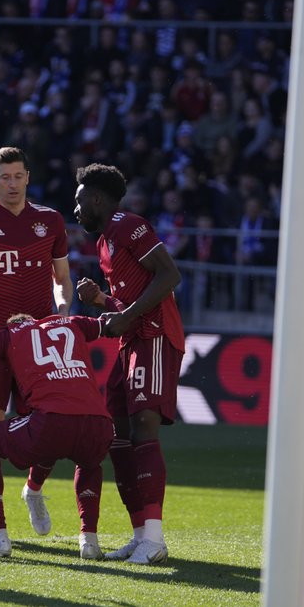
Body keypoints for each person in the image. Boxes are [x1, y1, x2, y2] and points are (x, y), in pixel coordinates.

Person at [0, 147, 72, 543]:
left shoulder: (50, 220)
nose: (12, 184)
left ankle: (34, 489)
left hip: (37, 340)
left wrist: (62, 309)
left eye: (18, 176)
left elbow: (62, 277)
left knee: (51, 426)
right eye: (4, 177)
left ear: (28, 178)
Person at [73, 163, 184, 565]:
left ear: (97, 199)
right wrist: (102, 301)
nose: (76, 209)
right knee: (117, 436)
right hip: (131, 341)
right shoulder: (105, 243)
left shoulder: (128, 225)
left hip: (154, 336)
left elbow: (169, 275)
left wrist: (125, 315)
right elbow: (129, 301)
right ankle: (140, 535)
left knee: (143, 428)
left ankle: (154, 538)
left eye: (79, 201)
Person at [0, 313, 113, 559]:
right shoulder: (71, 322)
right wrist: (104, 300)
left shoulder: (9, 334)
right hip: (100, 422)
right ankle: (89, 540)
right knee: (89, 462)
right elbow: (118, 323)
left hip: (52, 422)